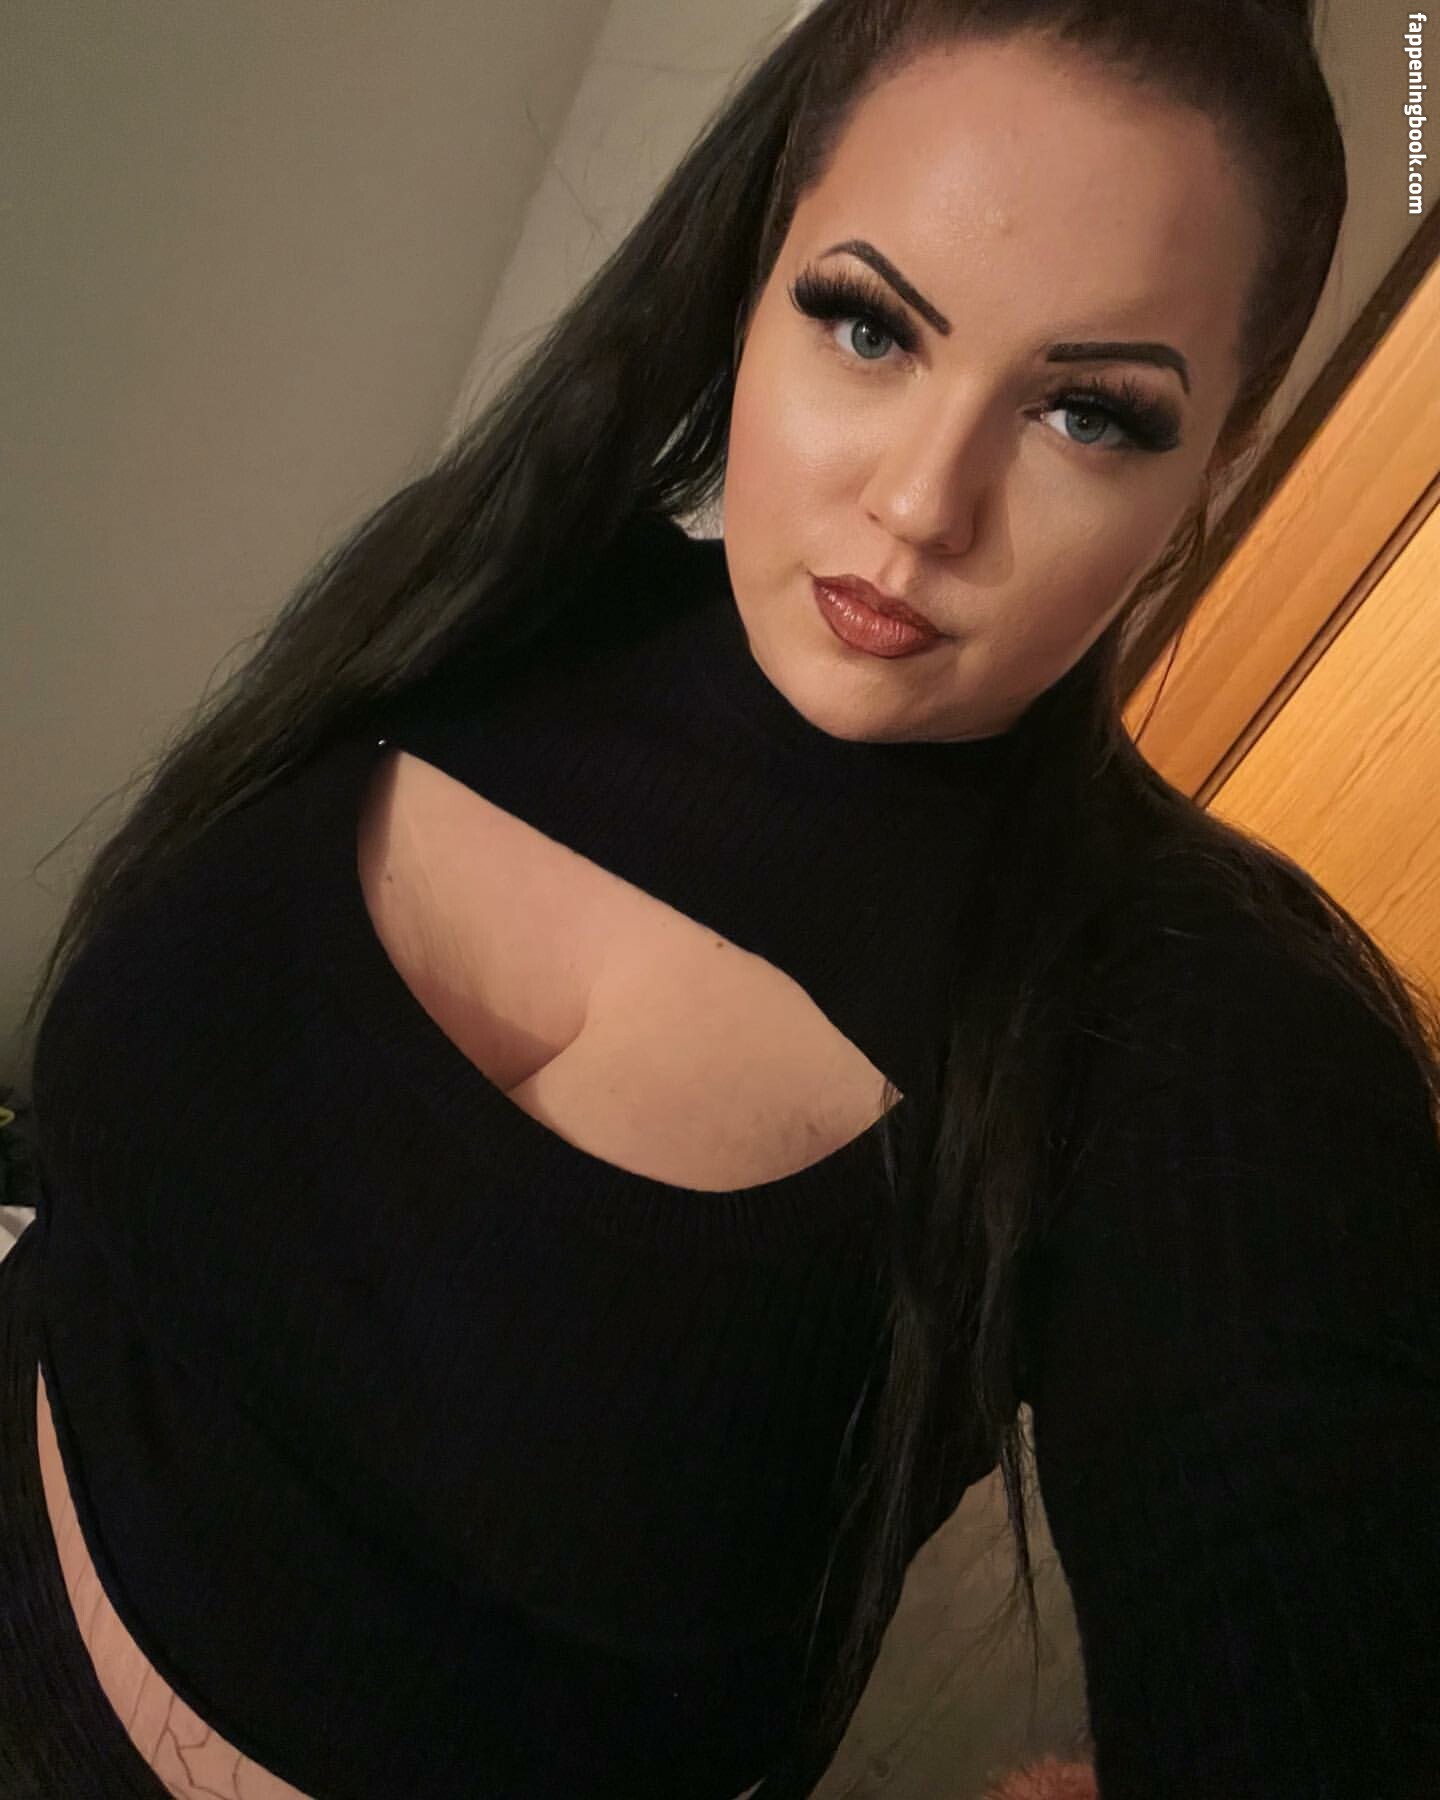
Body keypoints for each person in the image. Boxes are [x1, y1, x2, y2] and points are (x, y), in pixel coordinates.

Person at [4, 0, 1439, 1795]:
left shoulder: (1190, 1017)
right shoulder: (504, 598)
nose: (919, 504)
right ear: (758, 282)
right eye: (869, 325)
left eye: (1089, 413)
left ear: (1215, 464)